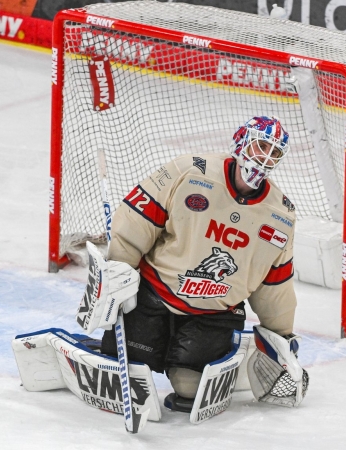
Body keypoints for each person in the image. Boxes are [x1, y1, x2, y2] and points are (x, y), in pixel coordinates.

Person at [96, 115, 307, 411]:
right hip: (154, 295)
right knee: (127, 370)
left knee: (189, 388)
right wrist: (120, 270)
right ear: (242, 140)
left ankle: (227, 355)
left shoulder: (280, 215)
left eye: (275, 153)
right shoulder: (190, 172)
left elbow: (275, 283)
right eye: (261, 146)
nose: (265, 157)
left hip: (214, 313)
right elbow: (137, 221)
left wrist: (281, 335)